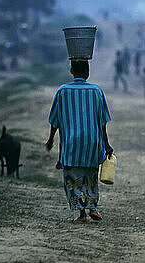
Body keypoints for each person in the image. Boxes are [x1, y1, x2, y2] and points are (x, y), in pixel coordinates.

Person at [46, 60, 113, 224]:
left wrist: (50, 140)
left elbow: (54, 120)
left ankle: (82, 214)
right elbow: (102, 121)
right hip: (92, 143)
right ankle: (93, 208)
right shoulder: (96, 91)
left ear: (71, 71)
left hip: (71, 145)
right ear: (88, 72)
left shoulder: (62, 91)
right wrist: (106, 144)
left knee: (74, 179)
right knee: (91, 177)